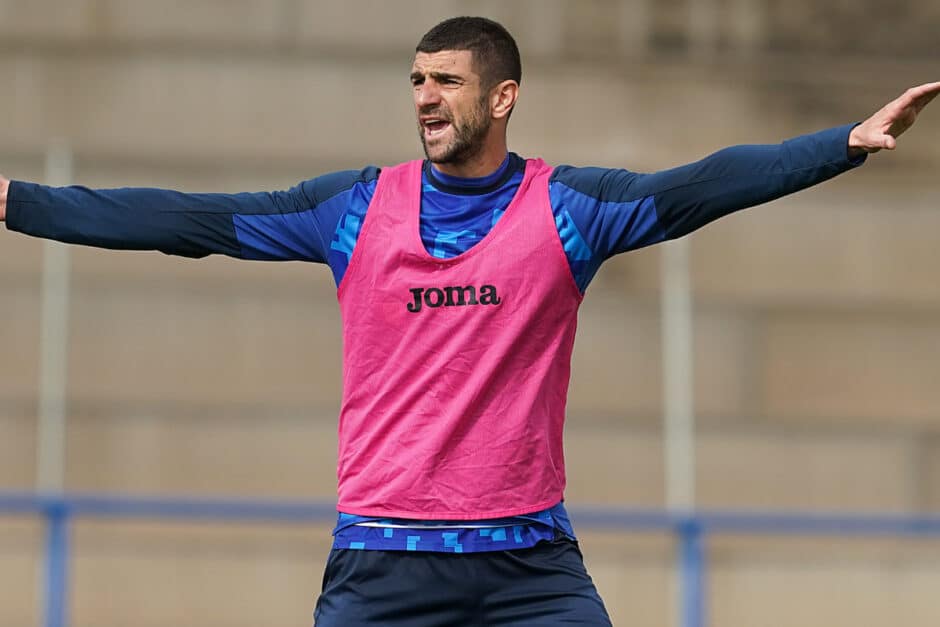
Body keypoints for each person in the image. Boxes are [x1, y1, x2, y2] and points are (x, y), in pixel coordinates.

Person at [2, 15, 938, 627]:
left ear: (502, 96)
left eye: (446, 80)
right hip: (384, 560)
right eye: (416, 79)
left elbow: (700, 184)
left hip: (530, 563)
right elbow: (188, 220)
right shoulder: (354, 209)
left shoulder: (570, 208)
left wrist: (840, 145)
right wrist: (20, 202)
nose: (424, 96)